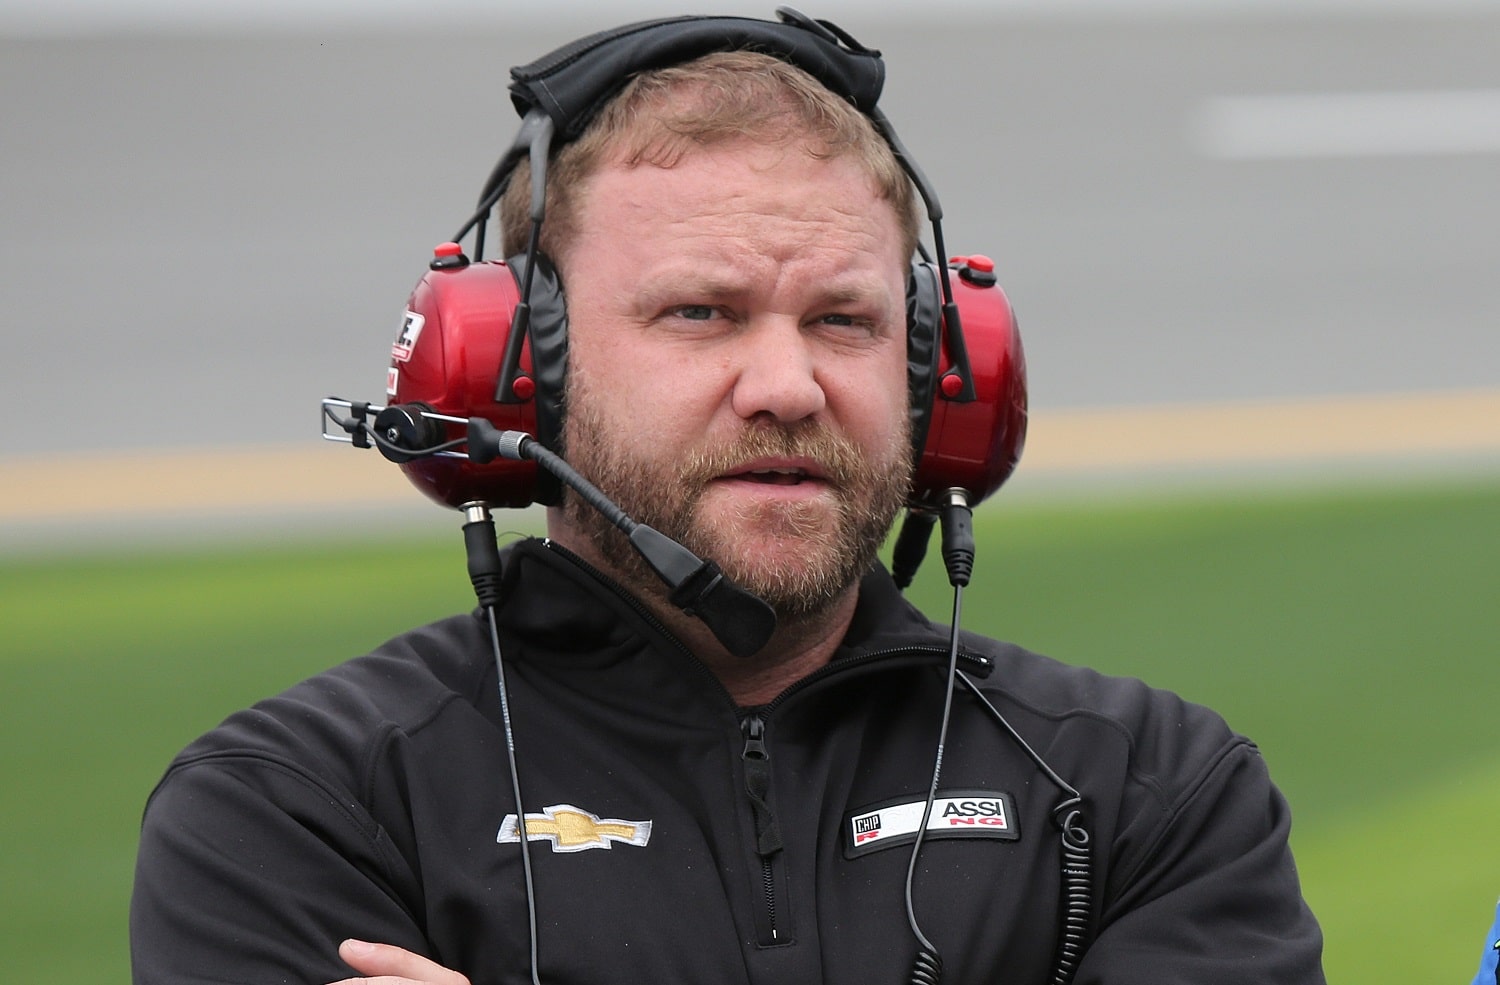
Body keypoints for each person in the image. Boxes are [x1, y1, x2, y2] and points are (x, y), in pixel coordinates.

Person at [130, 10, 1326, 985]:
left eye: (844, 322)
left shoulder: (1147, 790)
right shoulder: (296, 812)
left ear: (939, 376)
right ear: (515, 374)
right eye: (699, 313)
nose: (787, 384)